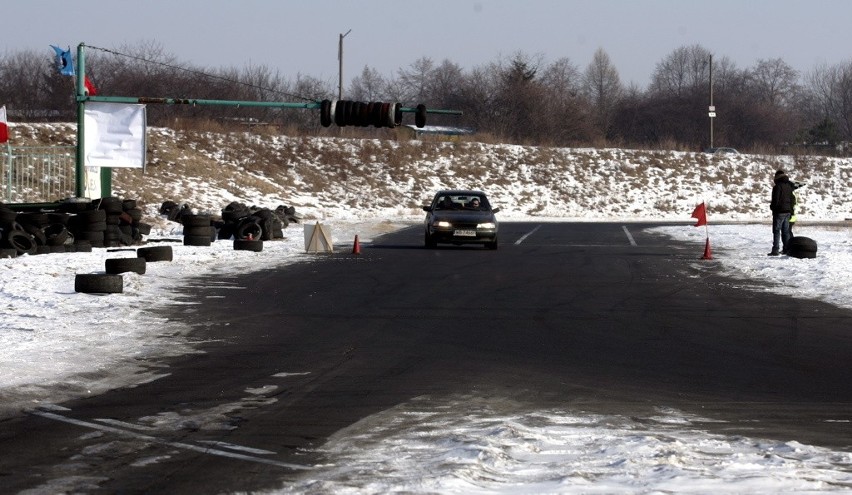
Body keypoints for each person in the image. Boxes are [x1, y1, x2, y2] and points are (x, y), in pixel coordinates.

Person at [769, 169, 796, 256]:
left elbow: (775, 200)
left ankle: (775, 250)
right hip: (788, 211)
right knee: (786, 232)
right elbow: (792, 199)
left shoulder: (777, 187)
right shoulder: (789, 186)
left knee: (776, 231)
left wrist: (772, 207)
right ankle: (786, 249)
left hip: (779, 212)